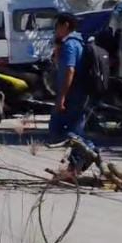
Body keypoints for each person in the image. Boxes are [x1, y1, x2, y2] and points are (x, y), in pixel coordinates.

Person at [49, 13, 95, 176]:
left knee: (60, 130)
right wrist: (57, 48)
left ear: (65, 25)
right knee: (75, 130)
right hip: (77, 93)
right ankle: (76, 165)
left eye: (57, 26)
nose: (55, 30)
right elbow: (58, 65)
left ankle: (89, 152)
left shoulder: (70, 45)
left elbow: (69, 70)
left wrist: (62, 97)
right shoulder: (74, 43)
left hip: (73, 94)